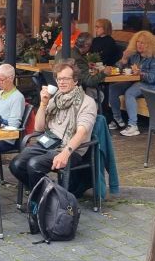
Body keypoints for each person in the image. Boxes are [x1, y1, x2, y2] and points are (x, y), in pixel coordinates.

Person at [9, 60, 97, 193]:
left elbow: (82, 132)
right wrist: (43, 104)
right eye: (59, 79)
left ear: (75, 80)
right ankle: (48, 195)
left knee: (34, 164)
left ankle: (46, 198)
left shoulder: (87, 102)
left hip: (71, 149)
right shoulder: (56, 99)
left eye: (66, 79)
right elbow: (39, 128)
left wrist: (65, 153)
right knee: (16, 165)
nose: (61, 82)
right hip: (49, 143)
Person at [109, 30, 155, 137]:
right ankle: (118, 119)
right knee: (113, 88)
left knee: (130, 93)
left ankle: (133, 126)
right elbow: (117, 70)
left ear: (149, 45)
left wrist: (141, 74)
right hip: (135, 82)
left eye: (142, 43)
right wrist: (124, 59)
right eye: (138, 42)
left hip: (152, 85)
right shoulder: (135, 55)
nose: (139, 45)